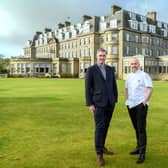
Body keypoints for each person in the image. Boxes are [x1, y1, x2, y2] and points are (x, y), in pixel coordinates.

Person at [85, 48, 118, 166]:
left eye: (104, 56)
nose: (102, 57)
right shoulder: (91, 70)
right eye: (100, 55)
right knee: (99, 128)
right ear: (96, 56)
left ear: (106, 57)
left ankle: (103, 147)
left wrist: (115, 99)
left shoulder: (110, 69)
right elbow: (88, 88)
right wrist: (90, 104)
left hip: (110, 103)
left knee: (106, 126)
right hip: (98, 104)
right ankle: (99, 154)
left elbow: (114, 85)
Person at [125, 57, 153, 164]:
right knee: (136, 128)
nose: (133, 65)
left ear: (139, 64)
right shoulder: (128, 76)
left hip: (141, 105)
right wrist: (127, 101)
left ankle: (142, 153)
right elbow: (126, 89)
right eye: (132, 64)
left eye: (135, 64)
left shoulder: (144, 75)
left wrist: (144, 102)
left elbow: (150, 89)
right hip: (131, 105)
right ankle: (138, 147)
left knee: (141, 129)